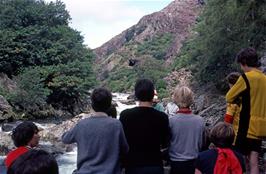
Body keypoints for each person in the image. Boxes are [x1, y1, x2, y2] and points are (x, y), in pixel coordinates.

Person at [62, 87, 129, 174]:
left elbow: (65, 139)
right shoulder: (116, 124)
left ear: (92, 105)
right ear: (109, 105)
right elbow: (125, 149)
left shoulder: (82, 124)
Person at [226, 48, 266, 174]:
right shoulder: (264, 78)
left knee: (241, 161)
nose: (241, 68)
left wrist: (240, 100)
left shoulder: (246, 77)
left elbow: (229, 97)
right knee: (254, 162)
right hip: (260, 127)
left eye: (241, 65)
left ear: (244, 62)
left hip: (246, 126)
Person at [119, 79, 170, 174]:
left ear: (136, 95)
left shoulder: (125, 115)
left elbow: (122, 142)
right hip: (155, 165)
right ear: (152, 95)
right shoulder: (162, 117)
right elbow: (164, 143)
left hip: (133, 166)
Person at [168, 86, 205, 174]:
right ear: (191, 99)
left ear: (176, 100)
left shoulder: (171, 121)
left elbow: (167, 142)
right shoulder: (200, 121)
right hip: (195, 162)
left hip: (176, 163)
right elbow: (202, 143)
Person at [224, 72, 241, 141]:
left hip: (236, 136)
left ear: (231, 84)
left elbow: (228, 120)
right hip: (250, 135)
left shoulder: (232, 100)